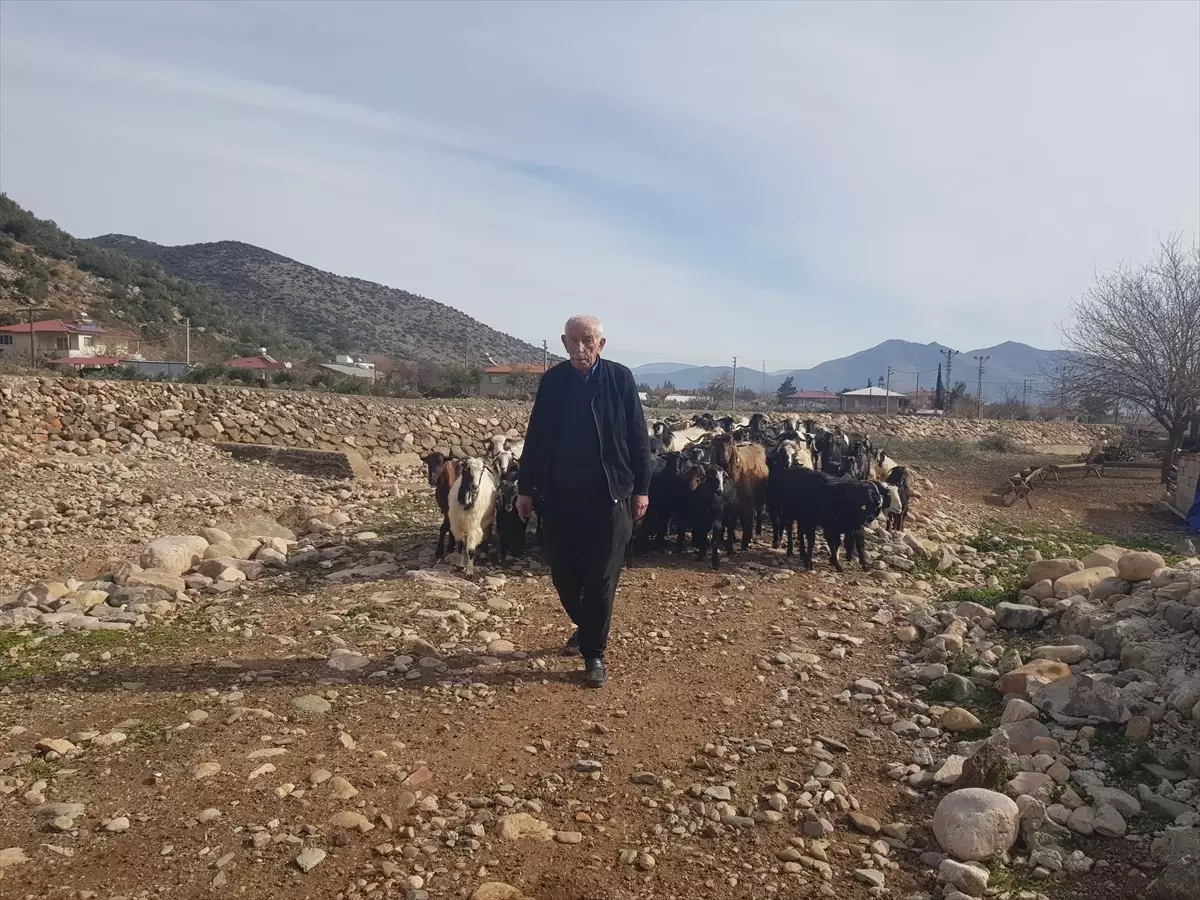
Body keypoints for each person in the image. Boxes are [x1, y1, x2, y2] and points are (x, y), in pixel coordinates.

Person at [516, 315, 650, 688]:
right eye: (573, 340)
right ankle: (587, 624)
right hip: (559, 496)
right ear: (563, 342)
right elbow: (536, 437)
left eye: (587, 340)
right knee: (563, 573)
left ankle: (593, 652)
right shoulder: (553, 382)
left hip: (610, 496)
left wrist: (642, 489)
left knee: (602, 575)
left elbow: (638, 437)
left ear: (601, 344)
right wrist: (525, 489)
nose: (580, 348)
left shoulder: (620, 379)